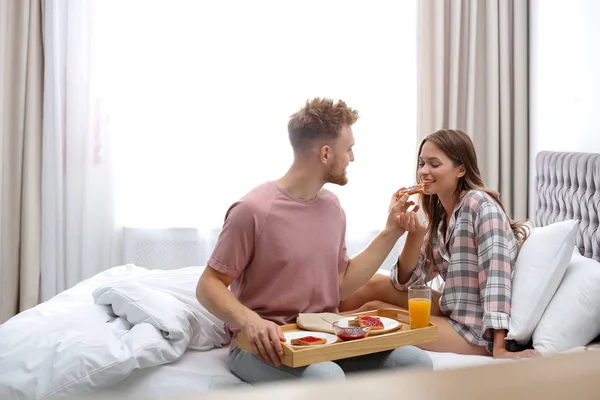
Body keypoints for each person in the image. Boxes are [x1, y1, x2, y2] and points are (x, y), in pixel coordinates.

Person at [196, 98, 432, 384]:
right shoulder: (253, 210)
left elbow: (341, 282)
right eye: (349, 149)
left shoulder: (332, 208)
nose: (352, 158)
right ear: (325, 153)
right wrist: (252, 322)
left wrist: (392, 230)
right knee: (327, 377)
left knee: (415, 362)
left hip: (326, 338)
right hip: (264, 347)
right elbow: (208, 285)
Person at [340, 129, 540, 359]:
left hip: (475, 331)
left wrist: (500, 349)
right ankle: (308, 325)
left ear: (461, 169)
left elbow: (496, 277)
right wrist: (414, 236)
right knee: (370, 284)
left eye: (434, 164)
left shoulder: (480, 205)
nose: (424, 172)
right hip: (453, 309)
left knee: (370, 310)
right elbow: (404, 282)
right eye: (422, 163)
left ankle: (323, 337)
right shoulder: (441, 216)